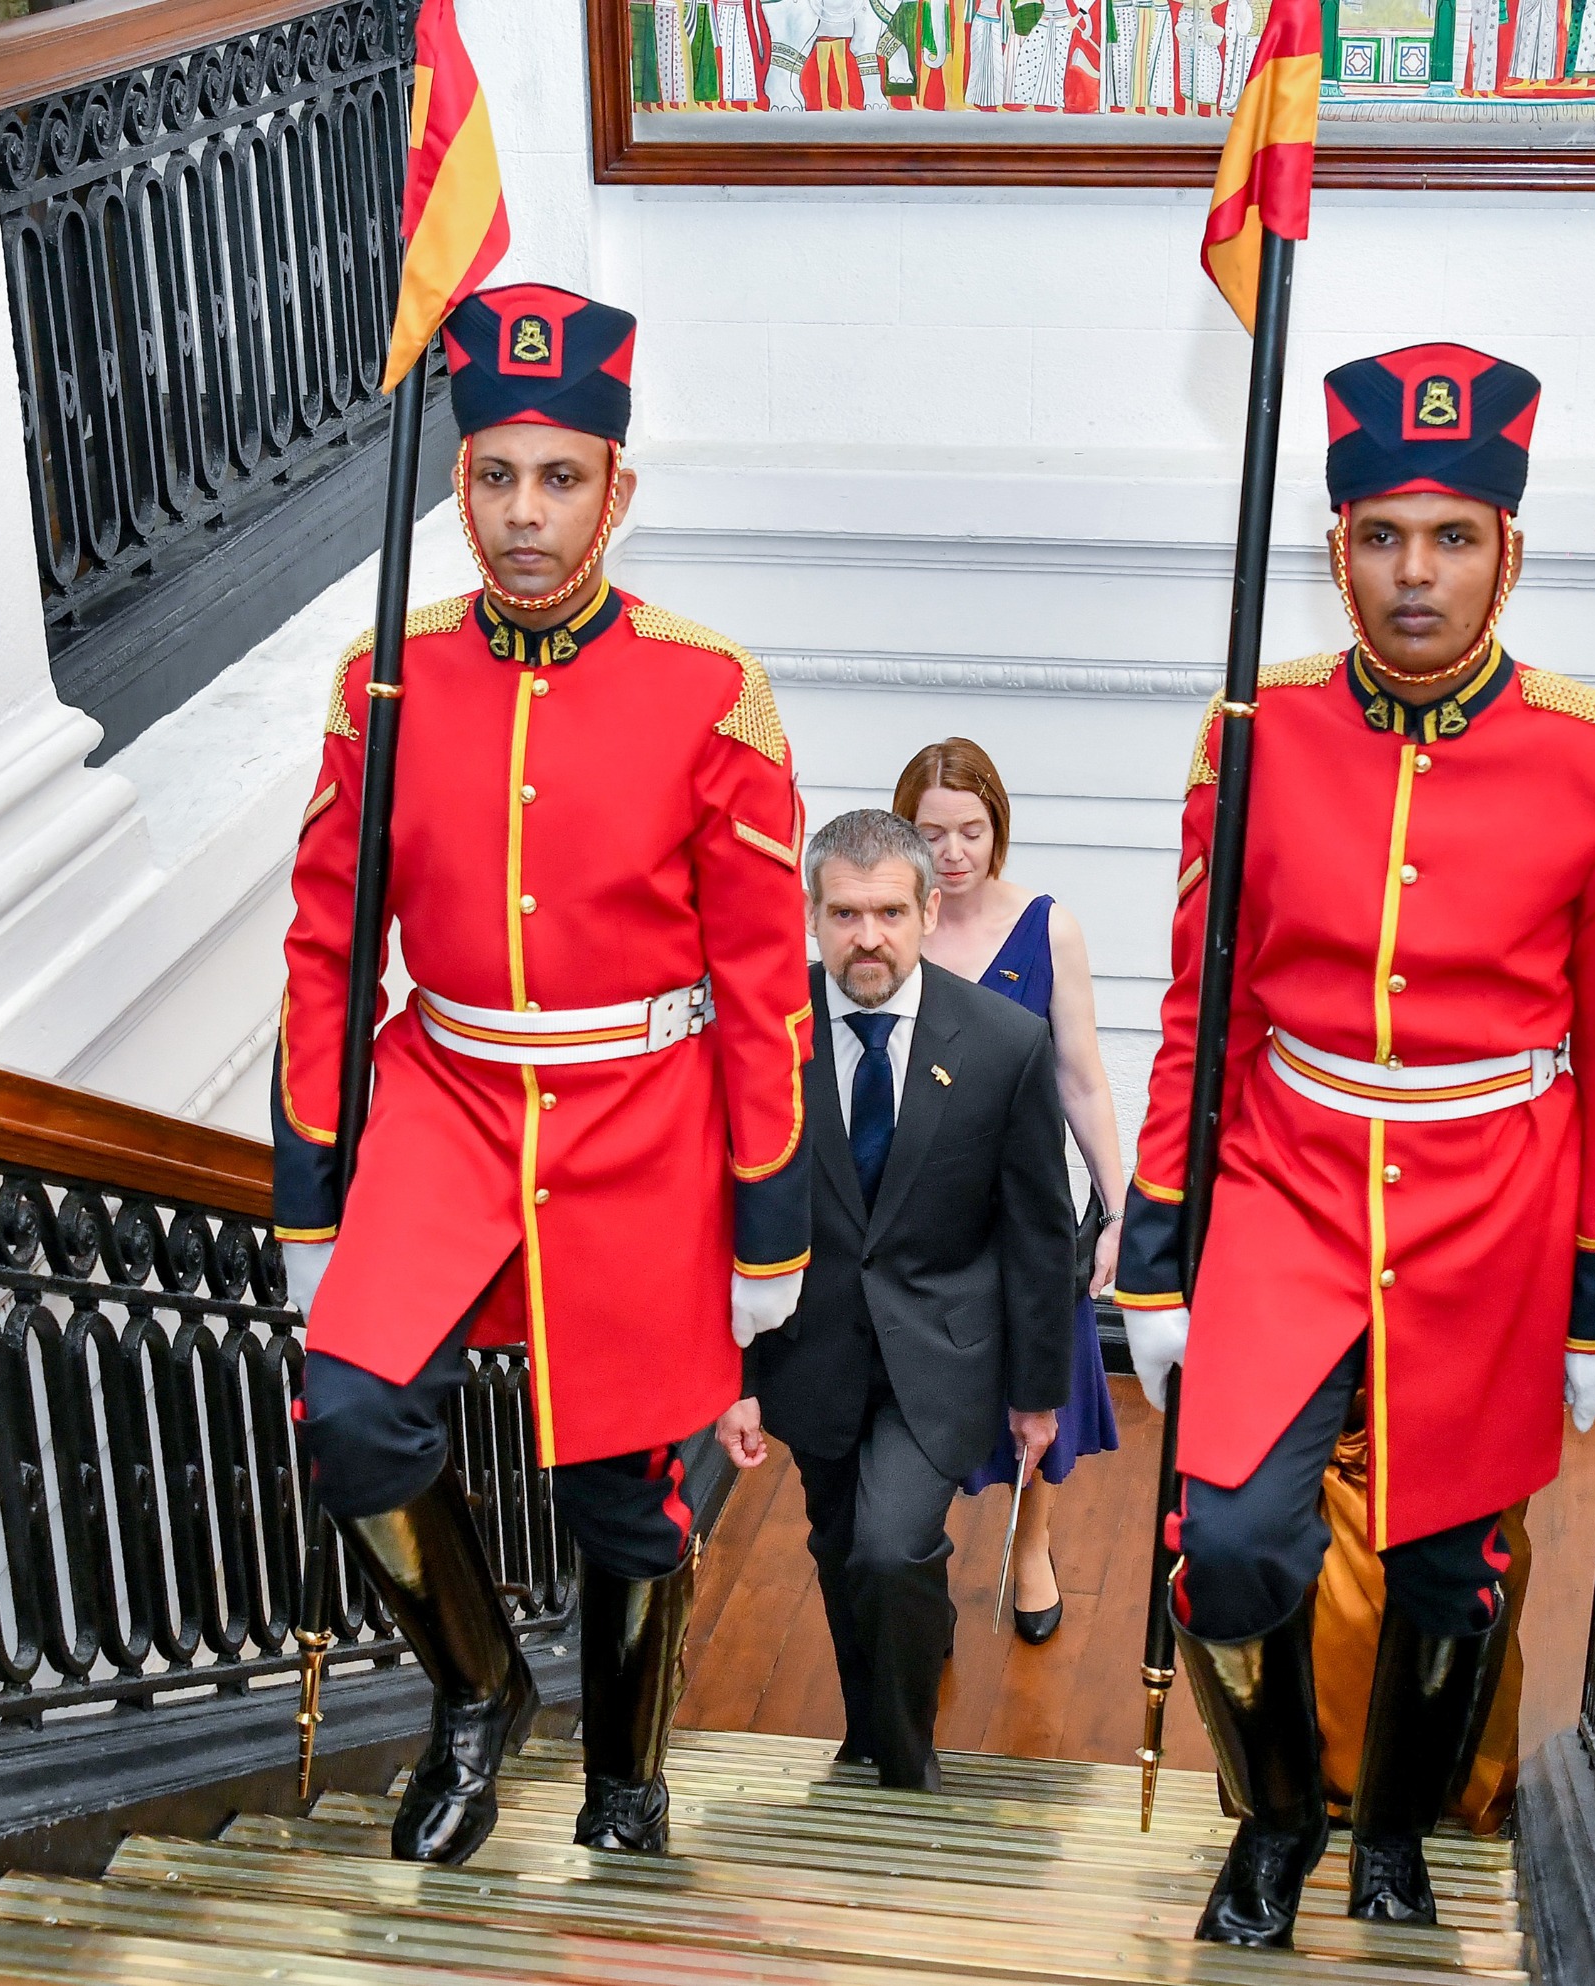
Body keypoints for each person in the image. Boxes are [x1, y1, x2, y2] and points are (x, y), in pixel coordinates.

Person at [1112, 344, 1595, 1946]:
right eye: (1382, 535)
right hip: (1287, 1186)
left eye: (1451, 537)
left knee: (1452, 1570)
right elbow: (1201, 1009)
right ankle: (1277, 1815)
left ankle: (1396, 1834)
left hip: (1494, 1208)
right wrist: (1157, 1250)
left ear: (1511, 550)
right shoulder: (1256, 733)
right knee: (1228, 1545)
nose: (1414, 572)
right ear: (1335, 545)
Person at [270, 283, 813, 1867]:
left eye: (559, 477)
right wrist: (311, 1185)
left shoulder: (712, 689)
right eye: (496, 475)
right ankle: (479, 1686)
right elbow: (325, 945)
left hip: (643, 1119)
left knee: (622, 1491)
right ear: (458, 482)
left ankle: (626, 1781)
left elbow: (765, 984)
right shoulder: (385, 677)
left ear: (614, 489)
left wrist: (768, 1222)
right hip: (445, 1097)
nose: (524, 513)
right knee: (352, 1410)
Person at [716, 810, 1076, 1792]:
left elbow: (1040, 1234)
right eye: (844, 914)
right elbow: (718, 1213)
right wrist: (728, 1375)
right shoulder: (761, 1036)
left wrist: (1038, 1394)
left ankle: (907, 1761)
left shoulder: (1003, 1043)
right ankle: (866, 1733)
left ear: (928, 913)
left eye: (887, 913)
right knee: (839, 1547)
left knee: (889, 1546)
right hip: (808, 1350)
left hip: (943, 1353)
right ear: (812, 916)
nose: (866, 937)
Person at [894, 739, 1122, 1646]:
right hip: (918, 1212)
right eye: (931, 833)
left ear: (998, 829)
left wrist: (1119, 1208)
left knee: (1039, 1387)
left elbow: (1082, 1079)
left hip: (1025, 1208)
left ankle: (1033, 1543)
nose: (953, 852)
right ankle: (918, 1555)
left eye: (971, 831)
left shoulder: (1048, 926)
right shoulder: (888, 925)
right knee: (918, 1399)